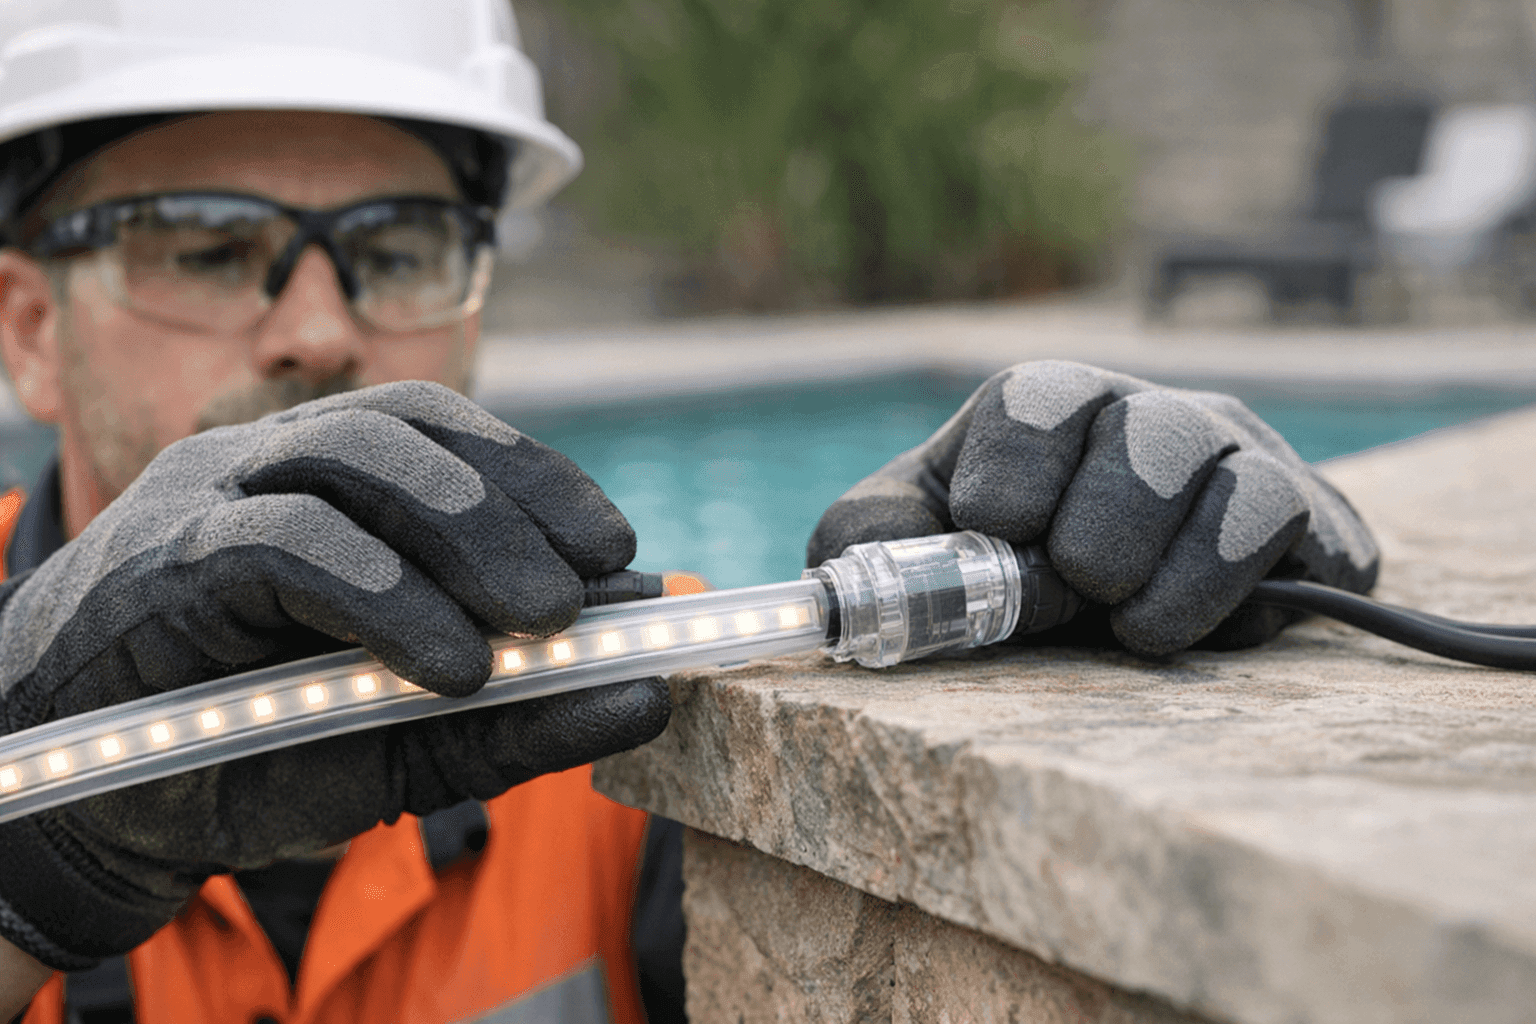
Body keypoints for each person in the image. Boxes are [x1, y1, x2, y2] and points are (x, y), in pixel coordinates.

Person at [0, 1, 1381, 1022]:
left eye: (396, 248)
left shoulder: (629, 709)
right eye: (202, 245)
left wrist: (1147, 561)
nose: (315, 328)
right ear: (27, 329)